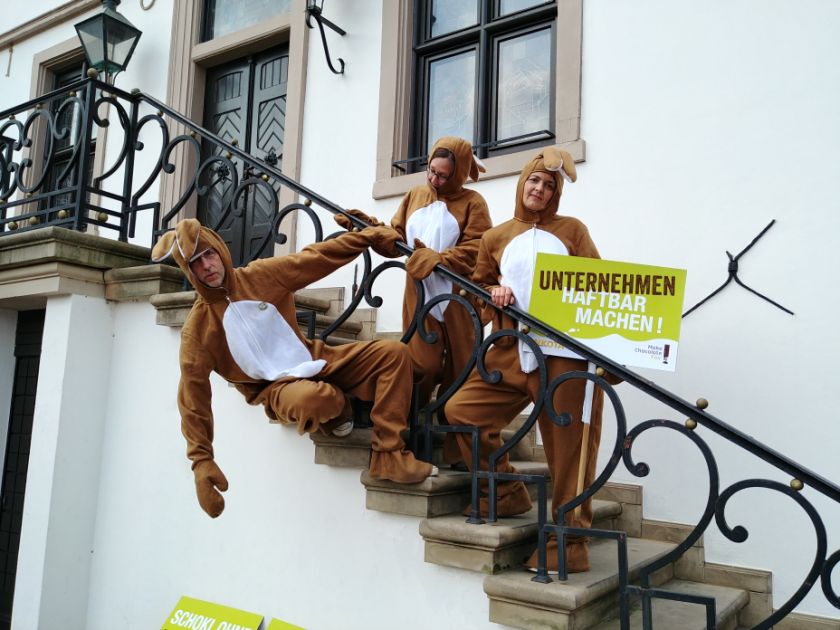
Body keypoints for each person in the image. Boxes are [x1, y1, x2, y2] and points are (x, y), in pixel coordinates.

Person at [152, 219, 437, 518]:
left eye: (209, 254)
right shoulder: (197, 331)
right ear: (188, 271)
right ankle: (337, 410)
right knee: (318, 399)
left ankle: (388, 455)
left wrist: (367, 237)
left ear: (220, 250)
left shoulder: (259, 275)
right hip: (276, 389)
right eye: (196, 263)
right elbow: (193, 398)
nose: (207, 265)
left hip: (314, 357)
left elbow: (316, 258)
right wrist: (201, 461)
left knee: (394, 353)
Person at [444, 147, 613, 574]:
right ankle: (504, 491)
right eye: (534, 181)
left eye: (549, 185)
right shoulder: (495, 237)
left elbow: (600, 287)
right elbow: (478, 291)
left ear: (556, 194)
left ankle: (570, 543)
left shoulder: (573, 230)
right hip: (509, 349)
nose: (539, 189)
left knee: (569, 447)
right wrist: (493, 295)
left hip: (562, 356)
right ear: (522, 183)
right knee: (460, 410)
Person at [337, 137, 491, 464]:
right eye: (431, 171)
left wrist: (440, 258)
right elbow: (396, 238)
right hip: (420, 297)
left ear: (460, 173)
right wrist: (365, 227)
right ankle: (406, 427)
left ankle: (459, 454)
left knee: (461, 372)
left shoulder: (473, 203)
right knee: (422, 364)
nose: (435, 180)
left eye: (444, 175)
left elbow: (479, 248)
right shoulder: (414, 195)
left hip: (459, 301)